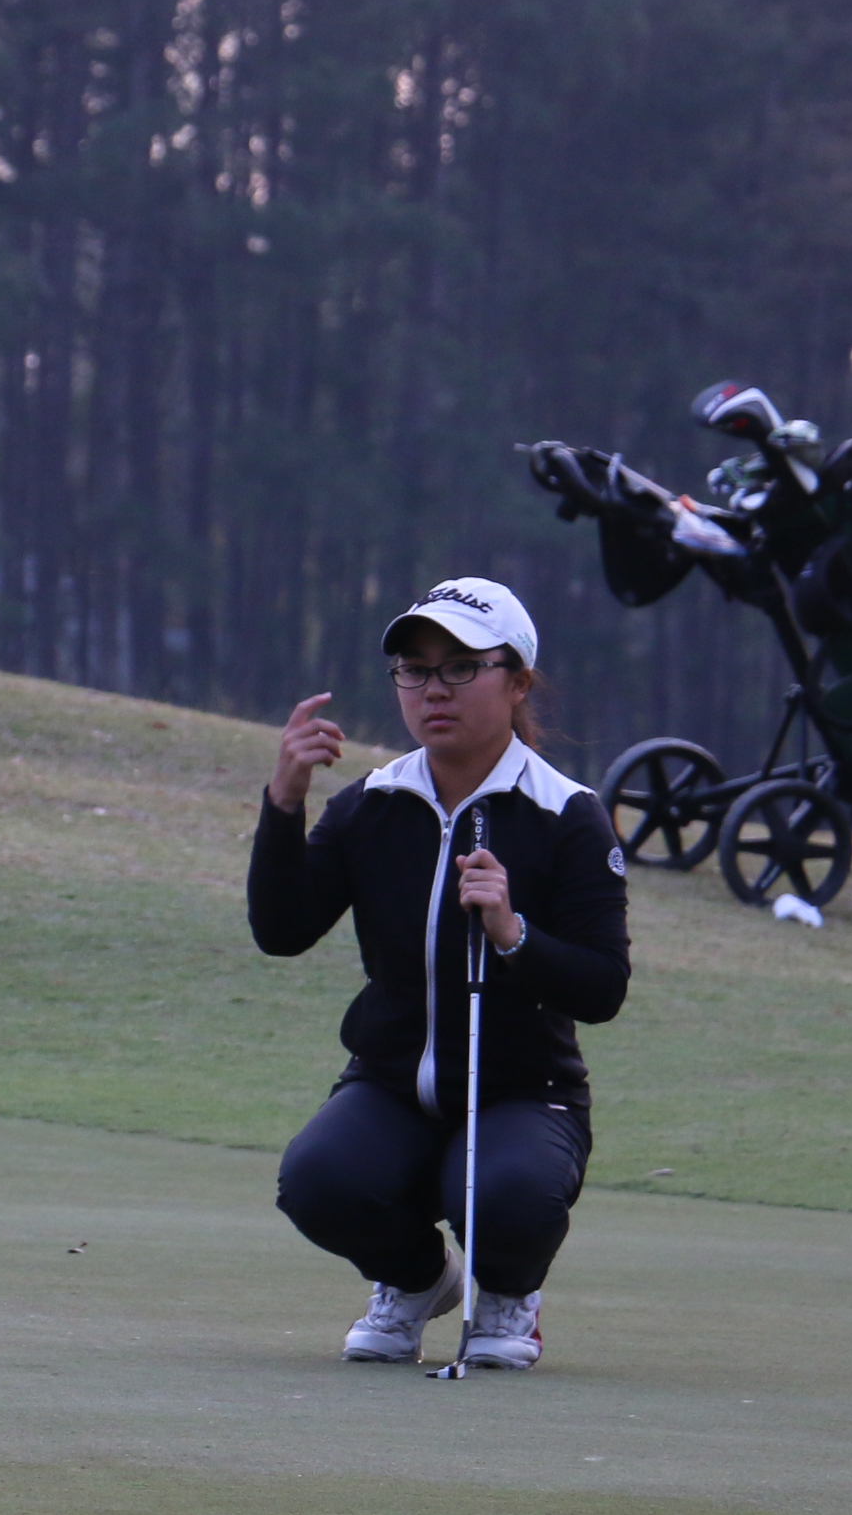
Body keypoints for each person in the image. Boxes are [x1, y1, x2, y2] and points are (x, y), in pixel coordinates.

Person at [249, 577, 630, 1370]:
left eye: (461, 667)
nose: (433, 690)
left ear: (517, 682)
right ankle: (418, 1280)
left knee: (505, 1196)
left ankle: (508, 1295)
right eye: (415, 669)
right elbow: (281, 932)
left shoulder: (567, 814)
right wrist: (284, 804)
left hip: (525, 1093)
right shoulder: (372, 805)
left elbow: (602, 989)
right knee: (317, 1182)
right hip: (391, 1085)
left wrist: (513, 933)